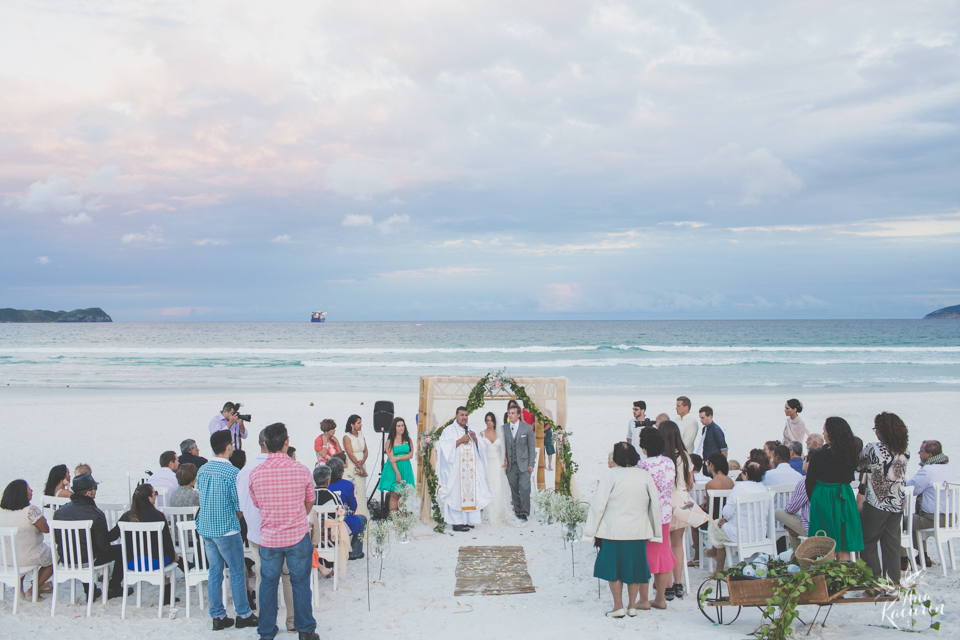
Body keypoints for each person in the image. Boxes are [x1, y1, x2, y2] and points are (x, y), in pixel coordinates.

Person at [248, 422, 319, 640]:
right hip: (296, 535)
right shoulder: (301, 470)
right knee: (300, 583)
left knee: (268, 584)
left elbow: (257, 503)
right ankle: (305, 630)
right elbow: (309, 502)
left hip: (269, 537)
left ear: (266, 444)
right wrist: (295, 515)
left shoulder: (256, 473)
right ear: (286, 442)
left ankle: (267, 631)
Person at [585, 442, 662, 618]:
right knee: (633, 569)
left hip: (614, 530)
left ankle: (618, 606)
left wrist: (590, 531)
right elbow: (654, 505)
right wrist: (655, 531)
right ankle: (632, 605)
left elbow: (598, 505)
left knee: (615, 569)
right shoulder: (644, 476)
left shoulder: (610, 475)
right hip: (638, 530)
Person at [196, 430, 257, 631]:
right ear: (229, 447)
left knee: (214, 572)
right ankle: (243, 613)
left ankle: (218, 615)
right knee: (238, 571)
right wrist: (237, 519)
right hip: (226, 528)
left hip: (205, 527)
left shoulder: (202, 470)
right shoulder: (233, 473)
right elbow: (238, 504)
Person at [238, 429, 293, 630]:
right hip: (283, 531)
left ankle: (266, 622)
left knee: (263, 577)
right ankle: (292, 622)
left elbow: (242, 506)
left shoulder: (246, 470)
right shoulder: (286, 467)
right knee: (287, 576)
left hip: (257, 533)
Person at [52, 473, 125, 599]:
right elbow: (104, 546)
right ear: (88, 493)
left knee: (81, 548)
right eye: (94, 488)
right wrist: (119, 527)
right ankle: (114, 587)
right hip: (87, 560)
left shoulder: (59, 513)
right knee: (122, 550)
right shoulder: (95, 514)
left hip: (66, 559)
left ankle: (90, 591)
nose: (95, 491)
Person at [858, 412, 909, 584]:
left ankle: (874, 583)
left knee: (867, 543)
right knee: (892, 545)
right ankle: (893, 583)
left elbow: (859, 466)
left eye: (876, 428)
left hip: (877, 502)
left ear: (883, 430)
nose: (875, 432)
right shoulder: (905, 451)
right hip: (897, 502)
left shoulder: (873, 448)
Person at [806, 417, 864, 560]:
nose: (823, 434)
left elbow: (810, 481)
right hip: (845, 498)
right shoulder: (851, 455)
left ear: (832, 433)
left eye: (825, 430)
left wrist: (815, 501)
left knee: (826, 541)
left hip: (825, 498)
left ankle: (828, 576)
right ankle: (845, 575)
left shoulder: (819, 455)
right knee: (844, 541)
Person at [118, 483, 179, 604]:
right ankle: (167, 597)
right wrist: (174, 557)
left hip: (131, 563)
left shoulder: (126, 517)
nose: (155, 496)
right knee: (171, 558)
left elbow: (114, 535)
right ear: (149, 498)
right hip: (154, 562)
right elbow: (167, 544)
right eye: (154, 494)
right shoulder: (158, 516)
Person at [704, 462, 769, 571]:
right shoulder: (764, 488)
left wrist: (725, 519)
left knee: (716, 525)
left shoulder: (740, 487)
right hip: (760, 534)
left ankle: (718, 567)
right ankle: (714, 552)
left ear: (746, 475)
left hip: (739, 534)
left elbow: (727, 512)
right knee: (722, 528)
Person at [436, 407, 492, 532]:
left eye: (466, 415)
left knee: (470, 493)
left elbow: (482, 448)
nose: (464, 417)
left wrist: (475, 439)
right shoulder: (449, 430)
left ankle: (467, 520)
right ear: (456, 416)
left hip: (470, 470)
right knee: (456, 495)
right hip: (456, 470)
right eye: (462, 415)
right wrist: (460, 441)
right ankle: (457, 523)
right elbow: (445, 449)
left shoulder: (472, 428)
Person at [637, 427, 675, 609]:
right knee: (663, 552)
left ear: (644, 446)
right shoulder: (669, 462)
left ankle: (644, 599)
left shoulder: (643, 466)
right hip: (665, 513)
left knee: (644, 556)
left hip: (647, 515)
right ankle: (660, 598)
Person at [905, 440, 957, 567]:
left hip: (934, 519)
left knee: (899, 521)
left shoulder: (928, 470)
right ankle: (923, 556)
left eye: (921, 451)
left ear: (930, 455)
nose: (918, 453)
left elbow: (912, 488)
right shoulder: (948, 467)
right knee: (914, 519)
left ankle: (904, 558)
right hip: (952, 519)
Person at [0, 480, 54, 599]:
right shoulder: (30, 511)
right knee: (56, 556)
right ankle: (33, 589)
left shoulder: (2, 512)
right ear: (21, 494)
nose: (31, 491)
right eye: (29, 489)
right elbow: (46, 529)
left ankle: (18, 589)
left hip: (5, 559)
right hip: (27, 556)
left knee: (19, 549)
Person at [660, 421, 693, 600]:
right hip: (683, 500)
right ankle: (679, 583)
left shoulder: (662, 458)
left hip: (666, 502)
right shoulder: (685, 456)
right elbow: (690, 484)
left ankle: (668, 586)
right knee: (678, 544)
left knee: (665, 543)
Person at [690, 453, 736, 567]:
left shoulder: (711, 484)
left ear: (712, 465)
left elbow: (710, 507)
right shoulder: (730, 481)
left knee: (694, 524)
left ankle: (696, 557)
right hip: (726, 518)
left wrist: (702, 505)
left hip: (713, 519)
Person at [310, 465, 348, 578]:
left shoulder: (308, 495)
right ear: (328, 481)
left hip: (311, 540)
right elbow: (341, 516)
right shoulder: (333, 496)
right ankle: (329, 564)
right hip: (328, 541)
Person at [480, 412, 517, 525]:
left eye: (491, 420)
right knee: (489, 486)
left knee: (498, 486)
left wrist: (505, 460)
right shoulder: (481, 434)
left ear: (494, 422)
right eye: (487, 420)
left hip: (497, 463)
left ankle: (500, 511)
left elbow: (503, 449)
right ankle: (490, 512)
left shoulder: (499, 434)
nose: (489, 422)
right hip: (487, 464)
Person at [327, 457, 367, 559]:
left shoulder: (323, 485)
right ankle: (355, 552)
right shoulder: (347, 485)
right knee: (362, 519)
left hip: (325, 523)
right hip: (344, 522)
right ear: (341, 472)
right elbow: (353, 507)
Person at [503, 404, 536, 522]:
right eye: (509, 413)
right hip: (511, 465)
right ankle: (517, 511)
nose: (510, 415)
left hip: (524, 464)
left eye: (512, 413)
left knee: (525, 488)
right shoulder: (504, 428)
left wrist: (531, 463)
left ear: (518, 415)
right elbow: (502, 447)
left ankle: (525, 512)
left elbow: (532, 447)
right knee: (514, 489)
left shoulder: (526, 428)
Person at [378, 416, 416, 515]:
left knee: (403, 494)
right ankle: (394, 517)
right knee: (394, 494)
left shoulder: (408, 439)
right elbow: (391, 459)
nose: (401, 428)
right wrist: (397, 473)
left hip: (406, 468)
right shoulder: (390, 441)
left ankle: (402, 516)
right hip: (394, 469)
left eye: (402, 425)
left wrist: (398, 458)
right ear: (394, 427)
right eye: (398, 426)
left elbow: (410, 455)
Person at [342, 414, 370, 518]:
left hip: (361, 462)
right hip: (353, 466)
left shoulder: (361, 434)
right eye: (358, 423)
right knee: (355, 490)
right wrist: (359, 466)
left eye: (361, 422)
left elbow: (366, 450)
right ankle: (356, 514)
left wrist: (363, 461)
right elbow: (350, 454)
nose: (361, 425)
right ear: (352, 425)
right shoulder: (347, 437)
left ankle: (364, 513)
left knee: (362, 490)